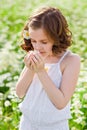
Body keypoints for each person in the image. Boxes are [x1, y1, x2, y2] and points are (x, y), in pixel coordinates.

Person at [16, 6, 80, 130]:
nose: (37, 47)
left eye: (44, 42)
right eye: (33, 41)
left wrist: (40, 71)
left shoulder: (70, 61)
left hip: (54, 126)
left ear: (57, 38)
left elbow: (60, 103)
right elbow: (20, 93)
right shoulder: (35, 56)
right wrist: (30, 69)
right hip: (27, 123)